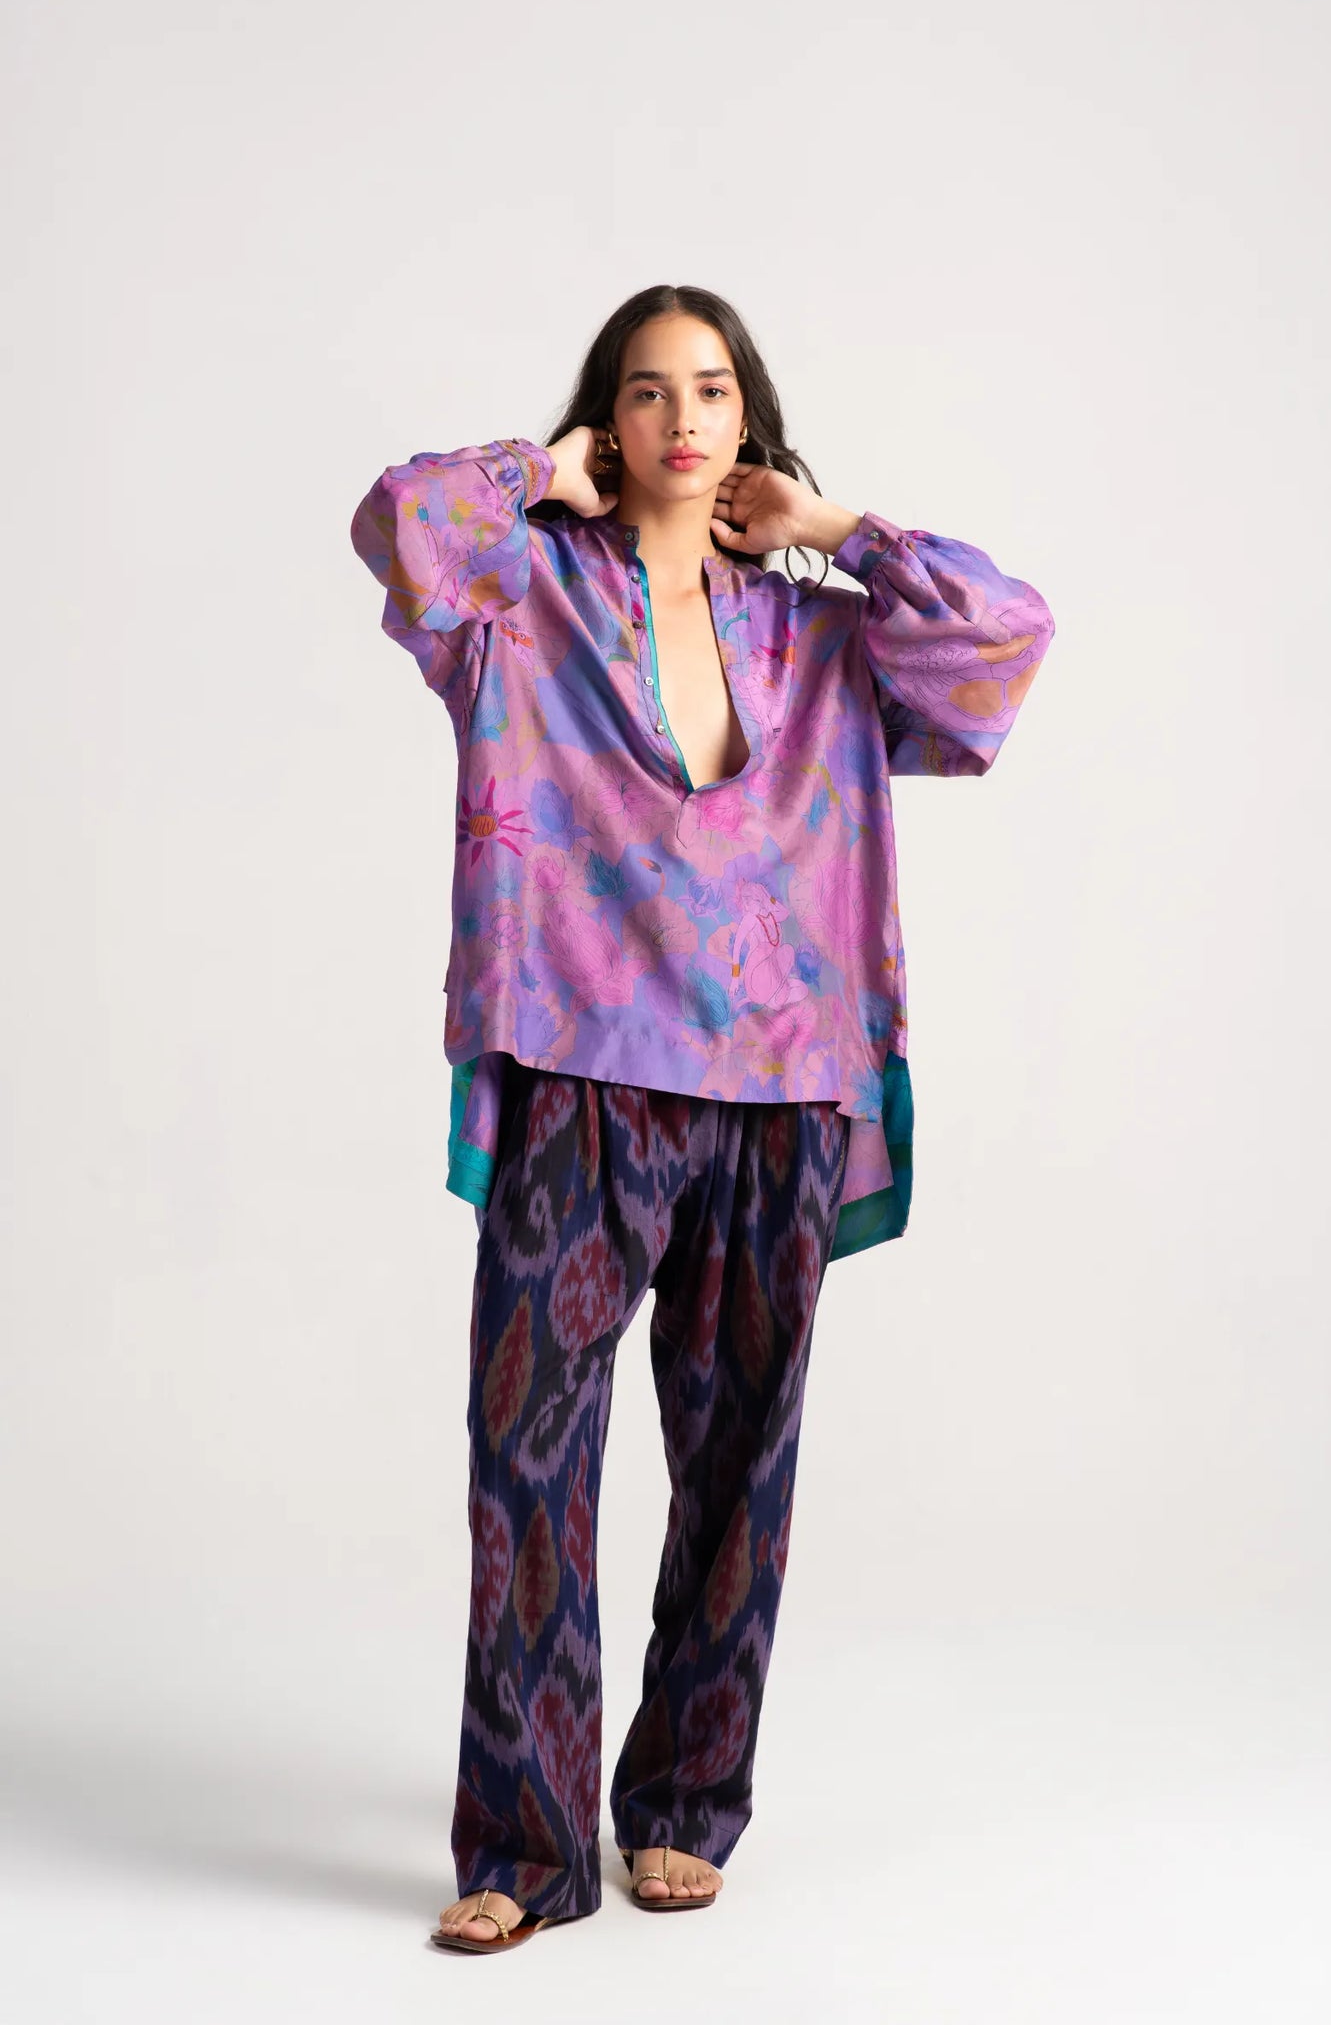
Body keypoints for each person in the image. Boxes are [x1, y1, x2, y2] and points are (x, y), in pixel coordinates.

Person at [349, 284, 1055, 1952]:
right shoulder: (523, 599)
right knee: (528, 1454)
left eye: (713, 390)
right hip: (581, 1070)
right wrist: (539, 472)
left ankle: (681, 1804)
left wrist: (838, 528)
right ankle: (524, 1846)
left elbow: (1006, 639)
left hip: (781, 1084)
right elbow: (400, 528)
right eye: (649, 391)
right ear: (610, 414)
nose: (682, 419)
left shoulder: (821, 632)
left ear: (750, 420)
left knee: (740, 1461)